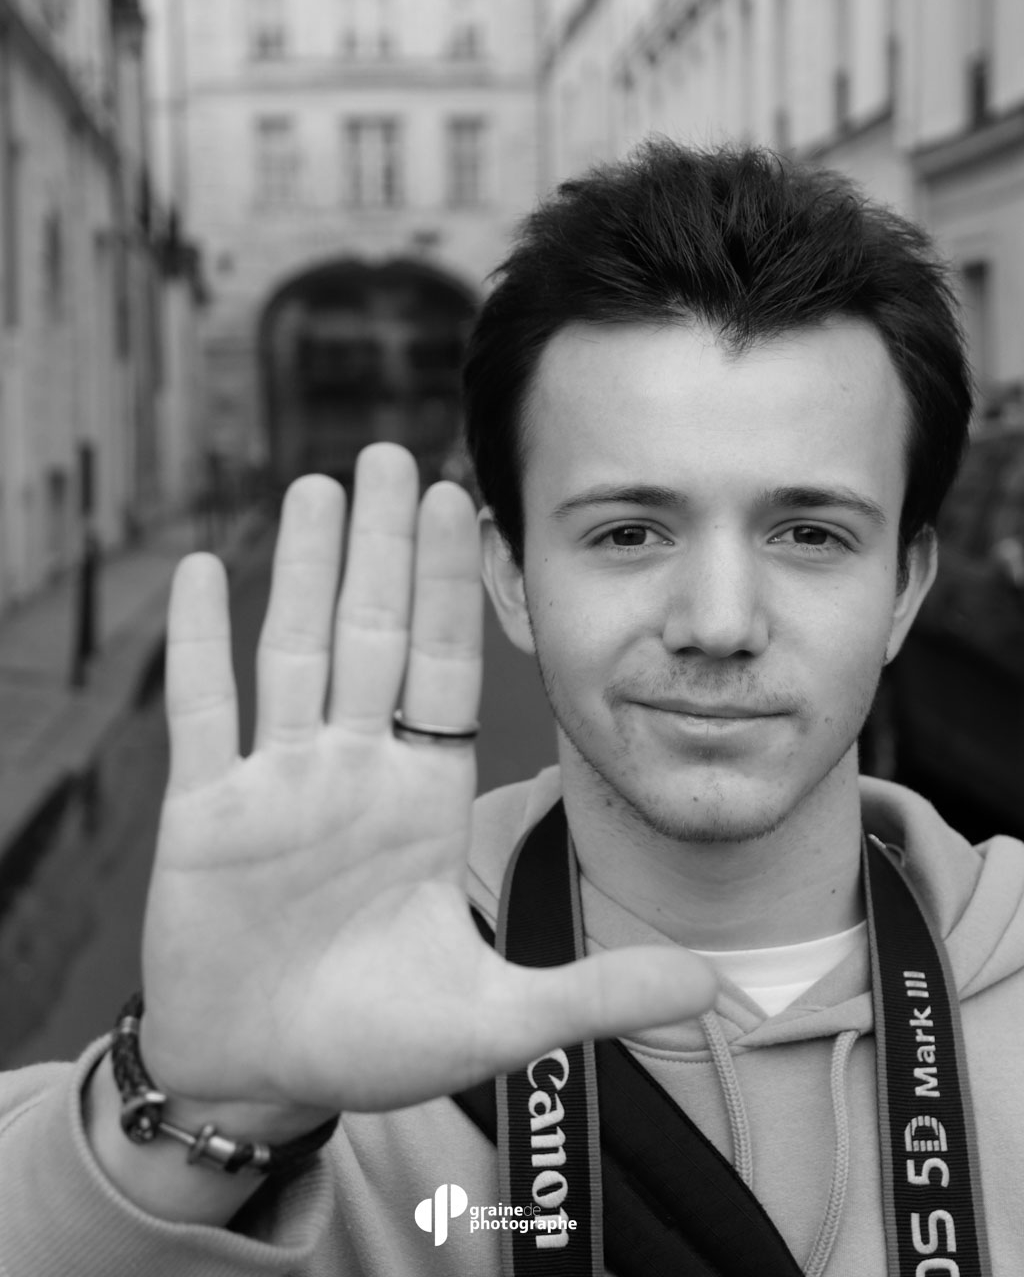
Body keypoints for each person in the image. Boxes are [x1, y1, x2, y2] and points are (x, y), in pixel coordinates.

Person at [3, 141, 1023, 1276]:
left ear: (905, 587)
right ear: (510, 576)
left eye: (810, 534)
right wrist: (186, 1127)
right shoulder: (340, 993)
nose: (719, 620)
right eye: (628, 532)